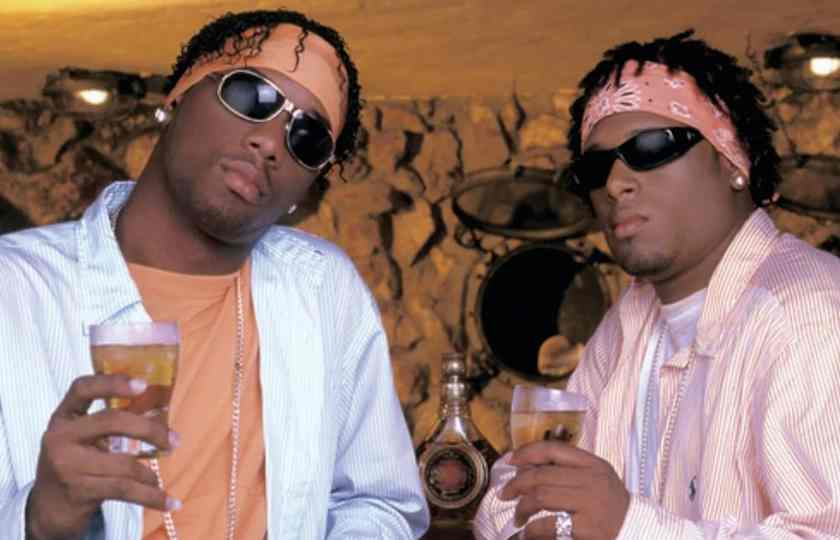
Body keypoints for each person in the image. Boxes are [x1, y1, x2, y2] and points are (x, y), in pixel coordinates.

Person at [0, 9, 428, 539]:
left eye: (308, 138)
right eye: (252, 95)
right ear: (177, 97)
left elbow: (379, 502)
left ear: (306, 189)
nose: (270, 142)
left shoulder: (323, 289)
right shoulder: (14, 291)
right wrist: (38, 520)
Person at [474, 30, 840, 539]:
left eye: (650, 147)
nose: (615, 183)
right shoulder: (628, 325)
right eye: (595, 168)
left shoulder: (810, 316)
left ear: (733, 162)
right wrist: (544, 523)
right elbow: (508, 496)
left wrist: (626, 525)